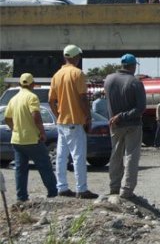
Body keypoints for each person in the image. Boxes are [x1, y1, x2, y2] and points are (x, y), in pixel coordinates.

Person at [49, 44, 98, 199]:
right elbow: (83, 98)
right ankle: (81, 189)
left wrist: (57, 116)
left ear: (65, 57)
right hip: (75, 121)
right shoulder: (78, 74)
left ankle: (62, 187)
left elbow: (51, 100)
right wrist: (88, 117)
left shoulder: (57, 75)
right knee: (78, 156)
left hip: (62, 122)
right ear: (76, 57)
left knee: (61, 156)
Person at [5, 73, 57, 202]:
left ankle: (21, 197)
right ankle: (52, 192)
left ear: (20, 84)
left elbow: (7, 118)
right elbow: (36, 116)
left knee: (20, 169)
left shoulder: (14, 98)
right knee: (45, 165)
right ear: (32, 84)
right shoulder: (32, 97)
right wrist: (42, 132)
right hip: (33, 139)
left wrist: (14, 129)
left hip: (17, 139)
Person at [104, 53, 146, 198]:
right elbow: (140, 108)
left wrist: (116, 117)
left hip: (114, 125)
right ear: (133, 66)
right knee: (131, 156)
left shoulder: (108, 79)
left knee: (115, 155)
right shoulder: (135, 82)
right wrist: (122, 116)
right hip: (132, 124)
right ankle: (127, 190)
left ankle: (114, 187)